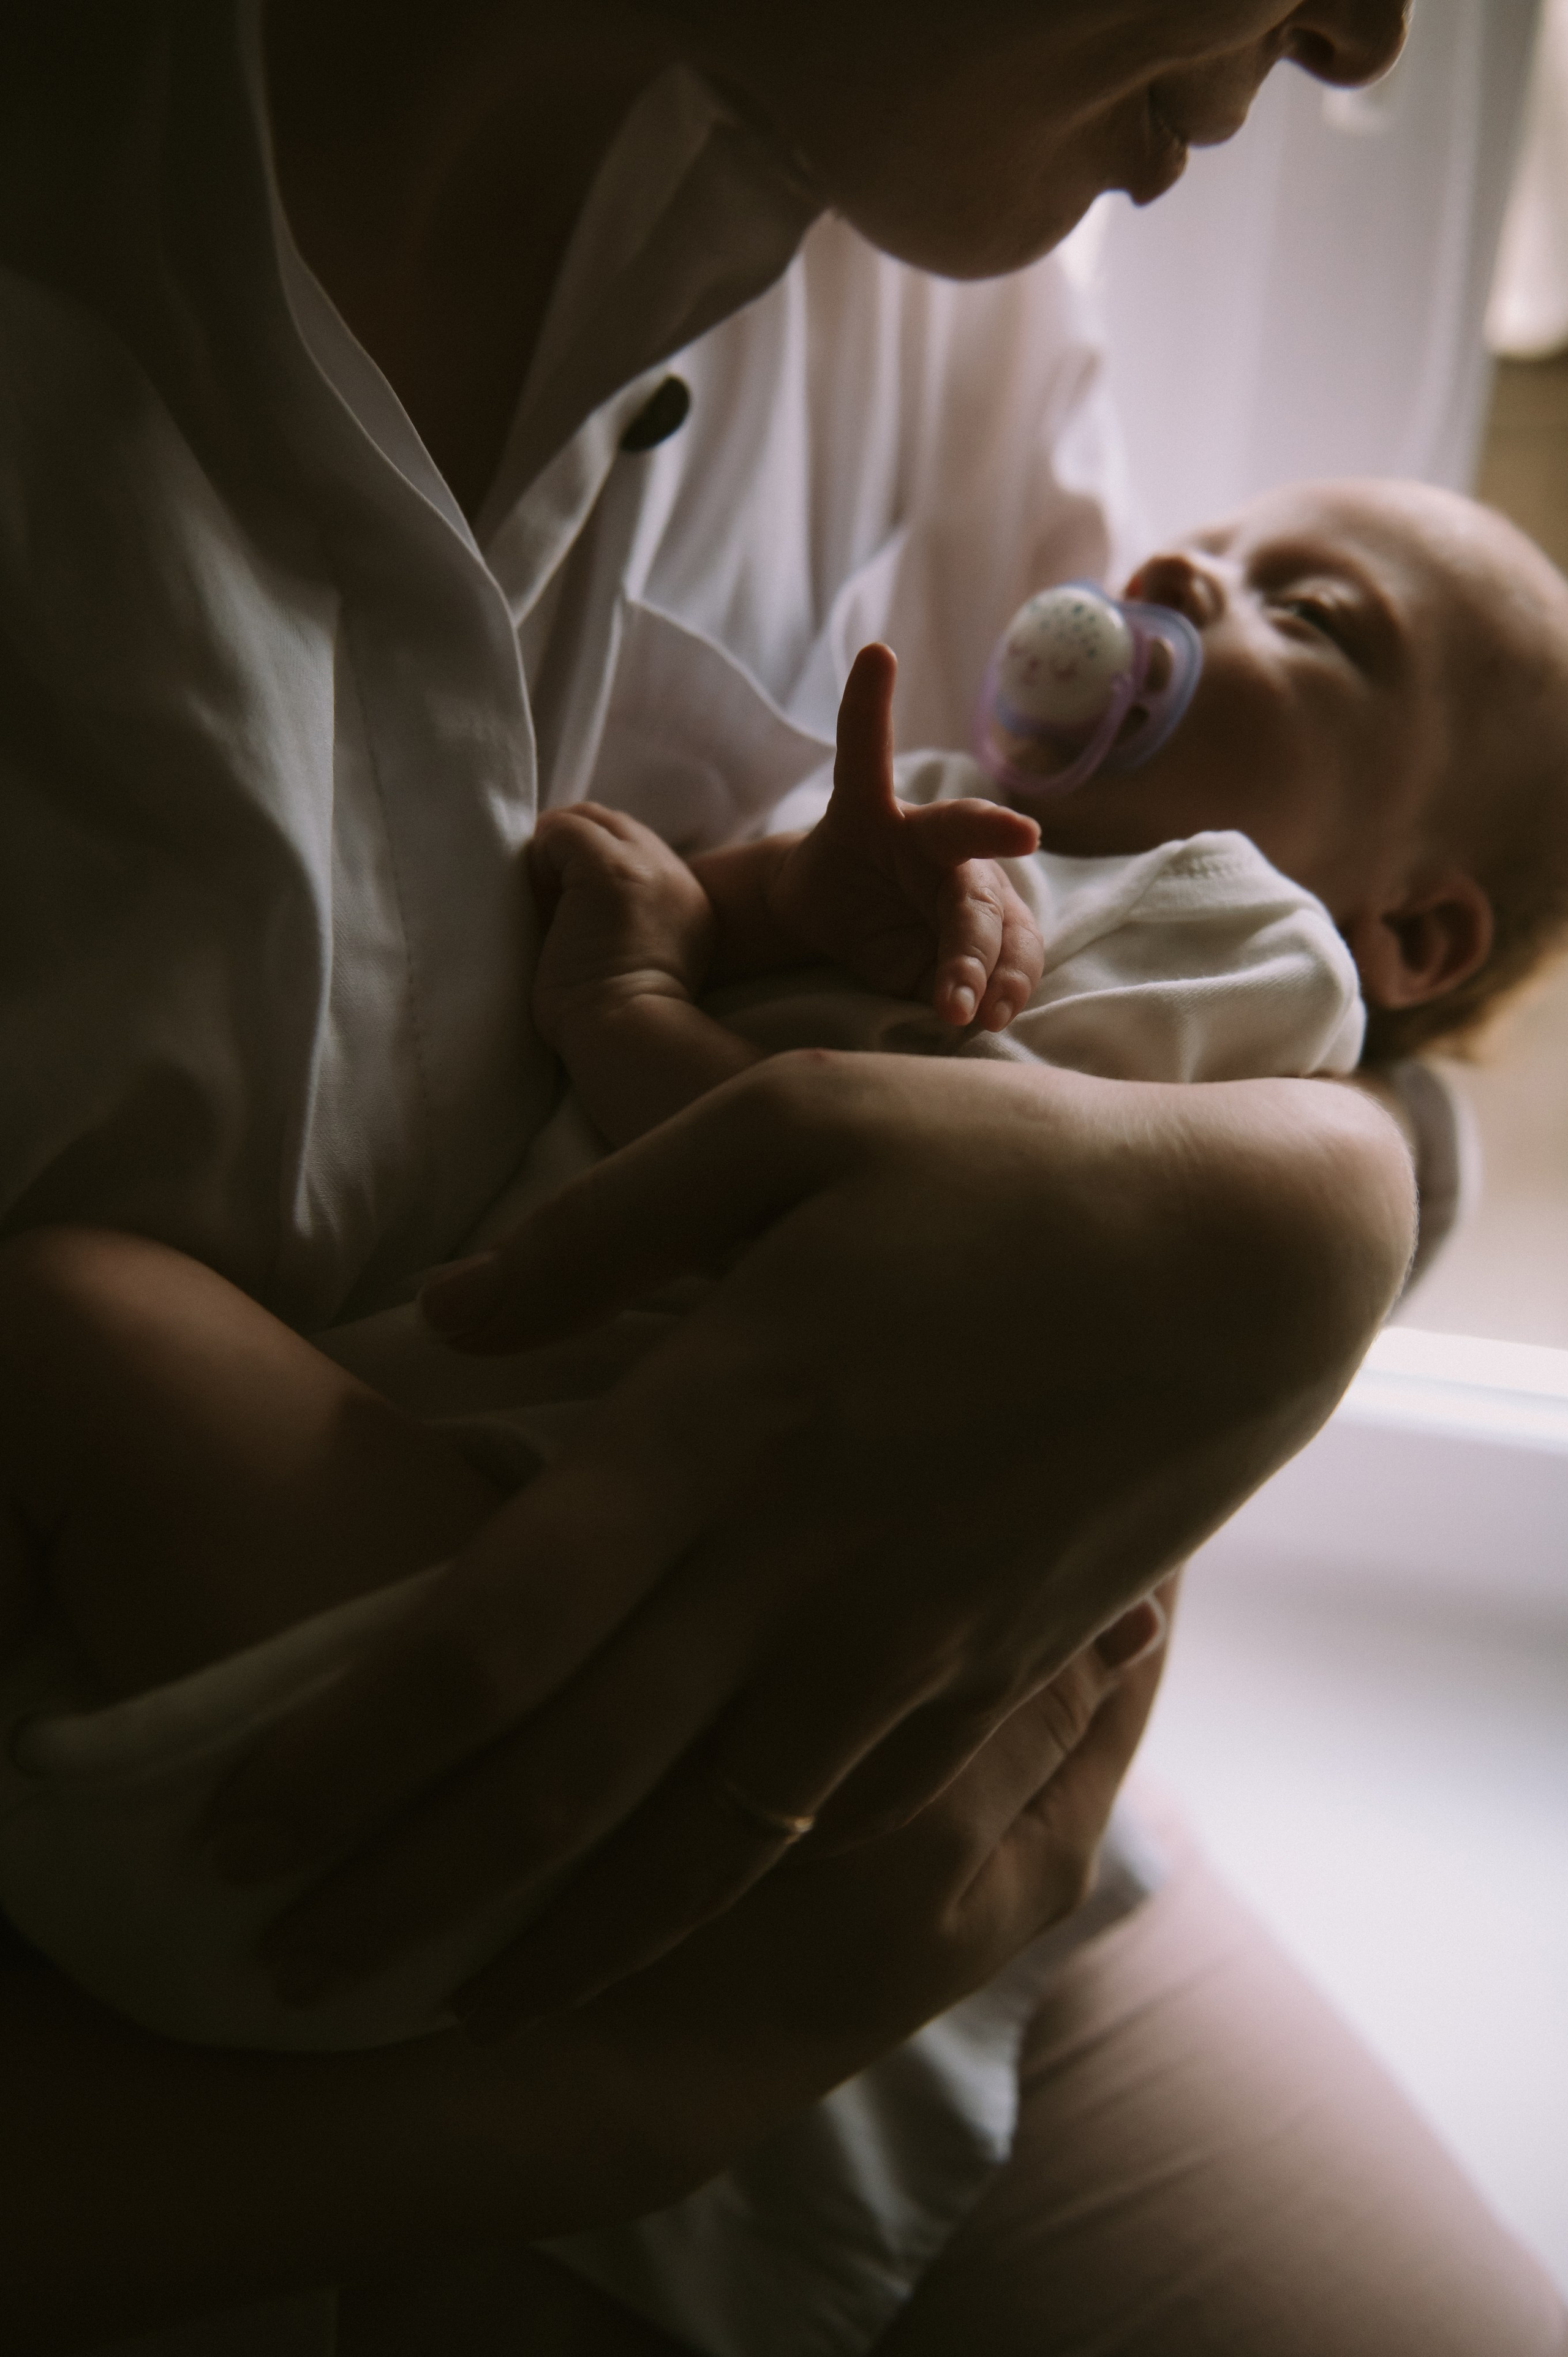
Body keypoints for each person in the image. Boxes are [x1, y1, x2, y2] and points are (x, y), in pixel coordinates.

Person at [5, 2, 1560, 2351]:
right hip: (426, 1818)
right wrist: (603, 2112)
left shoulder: (939, 215)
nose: (1367, 37)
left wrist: (1316, 1214)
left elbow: (1227, 1033)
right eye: (1231, 559)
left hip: (868, 1818)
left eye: (1307, 609)